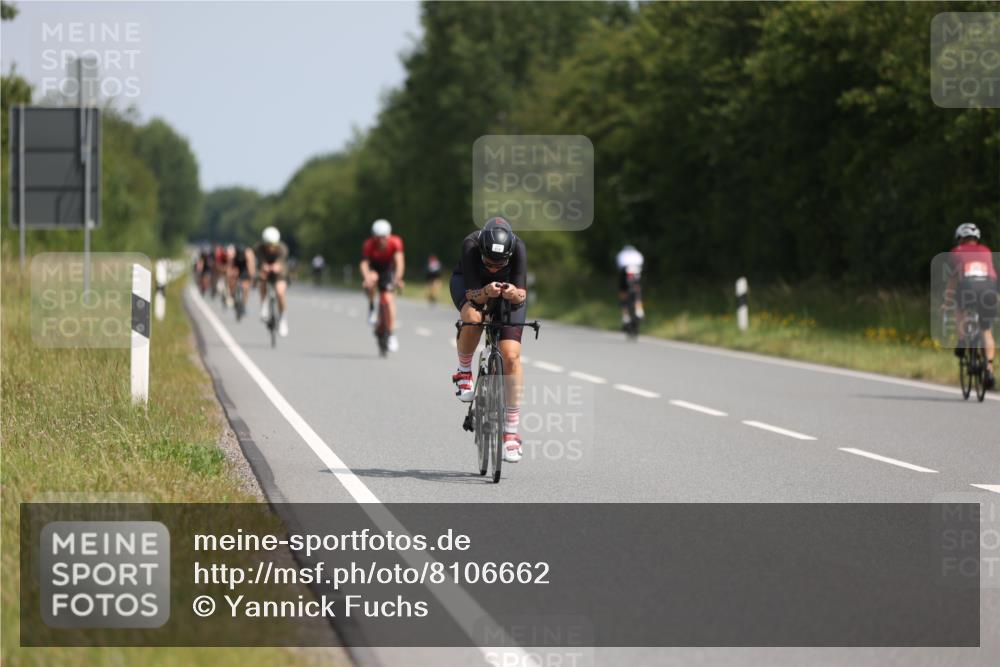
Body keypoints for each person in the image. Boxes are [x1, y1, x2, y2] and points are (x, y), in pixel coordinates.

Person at [450, 217, 528, 463]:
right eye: (489, 262)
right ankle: (464, 373)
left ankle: (511, 434)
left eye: (500, 263)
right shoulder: (471, 245)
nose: (494, 268)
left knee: (512, 357)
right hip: (471, 286)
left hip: (507, 294)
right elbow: (473, 294)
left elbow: (522, 295)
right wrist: (486, 291)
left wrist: (513, 293)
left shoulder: (519, 248)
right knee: (474, 317)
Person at [947, 222, 997, 389]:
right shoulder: (986, 251)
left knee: (959, 308)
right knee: (986, 330)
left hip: (968, 287)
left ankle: (962, 342)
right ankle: (989, 368)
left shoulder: (956, 252)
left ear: (960, 238)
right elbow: (993, 276)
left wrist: (947, 302)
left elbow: (954, 279)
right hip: (989, 289)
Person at [360, 219, 405, 352]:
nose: (381, 240)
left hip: (387, 270)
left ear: (389, 235)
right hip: (374, 269)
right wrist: (366, 277)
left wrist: (398, 278)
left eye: (384, 237)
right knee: (371, 279)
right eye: (378, 238)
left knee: (389, 300)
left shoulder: (395, 242)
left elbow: (400, 262)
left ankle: (391, 334)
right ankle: (371, 307)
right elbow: (364, 264)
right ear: (374, 237)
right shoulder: (369, 244)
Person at [256, 226, 290, 337]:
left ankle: (282, 319)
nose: (271, 248)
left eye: (273, 245)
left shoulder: (282, 248)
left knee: (280, 292)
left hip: (279, 271)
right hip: (265, 269)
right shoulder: (259, 248)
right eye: (268, 245)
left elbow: (280, 263)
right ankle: (264, 305)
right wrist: (264, 267)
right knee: (262, 281)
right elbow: (260, 261)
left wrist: (276, 267)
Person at [616, 244, 645, 327]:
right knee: (638, 293)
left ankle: (625, 316)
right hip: (636, 274)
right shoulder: (637, 254)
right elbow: (641, 264)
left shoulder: (621, 254)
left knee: (623, 294)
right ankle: (639, 311)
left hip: (624, 274)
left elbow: (619, 266)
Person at [229, 243, 255, 315]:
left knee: (245, 287)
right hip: (237, 267)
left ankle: (243, 304)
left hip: (245, 268)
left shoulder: (248, 255)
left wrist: (251, 277)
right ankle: (233, 296)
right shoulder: (234, 255)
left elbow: (250, 267)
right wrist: (231, 275)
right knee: (232, 281)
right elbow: (231, 266)